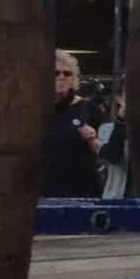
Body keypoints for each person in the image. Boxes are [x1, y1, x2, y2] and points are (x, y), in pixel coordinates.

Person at [42, 50, 99, 198]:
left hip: (80, 190)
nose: (61, 77)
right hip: (43, 190)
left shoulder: (88, 108)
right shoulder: (36, 109)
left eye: (67, 73)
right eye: (56, 73)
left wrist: (92, 139)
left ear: (73, 79)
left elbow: (105, 153)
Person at [94, 90, 130, 201]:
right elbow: (113, 157)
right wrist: (121, 120)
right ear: (120, 99)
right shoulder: (106, 129)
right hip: (117, 198)